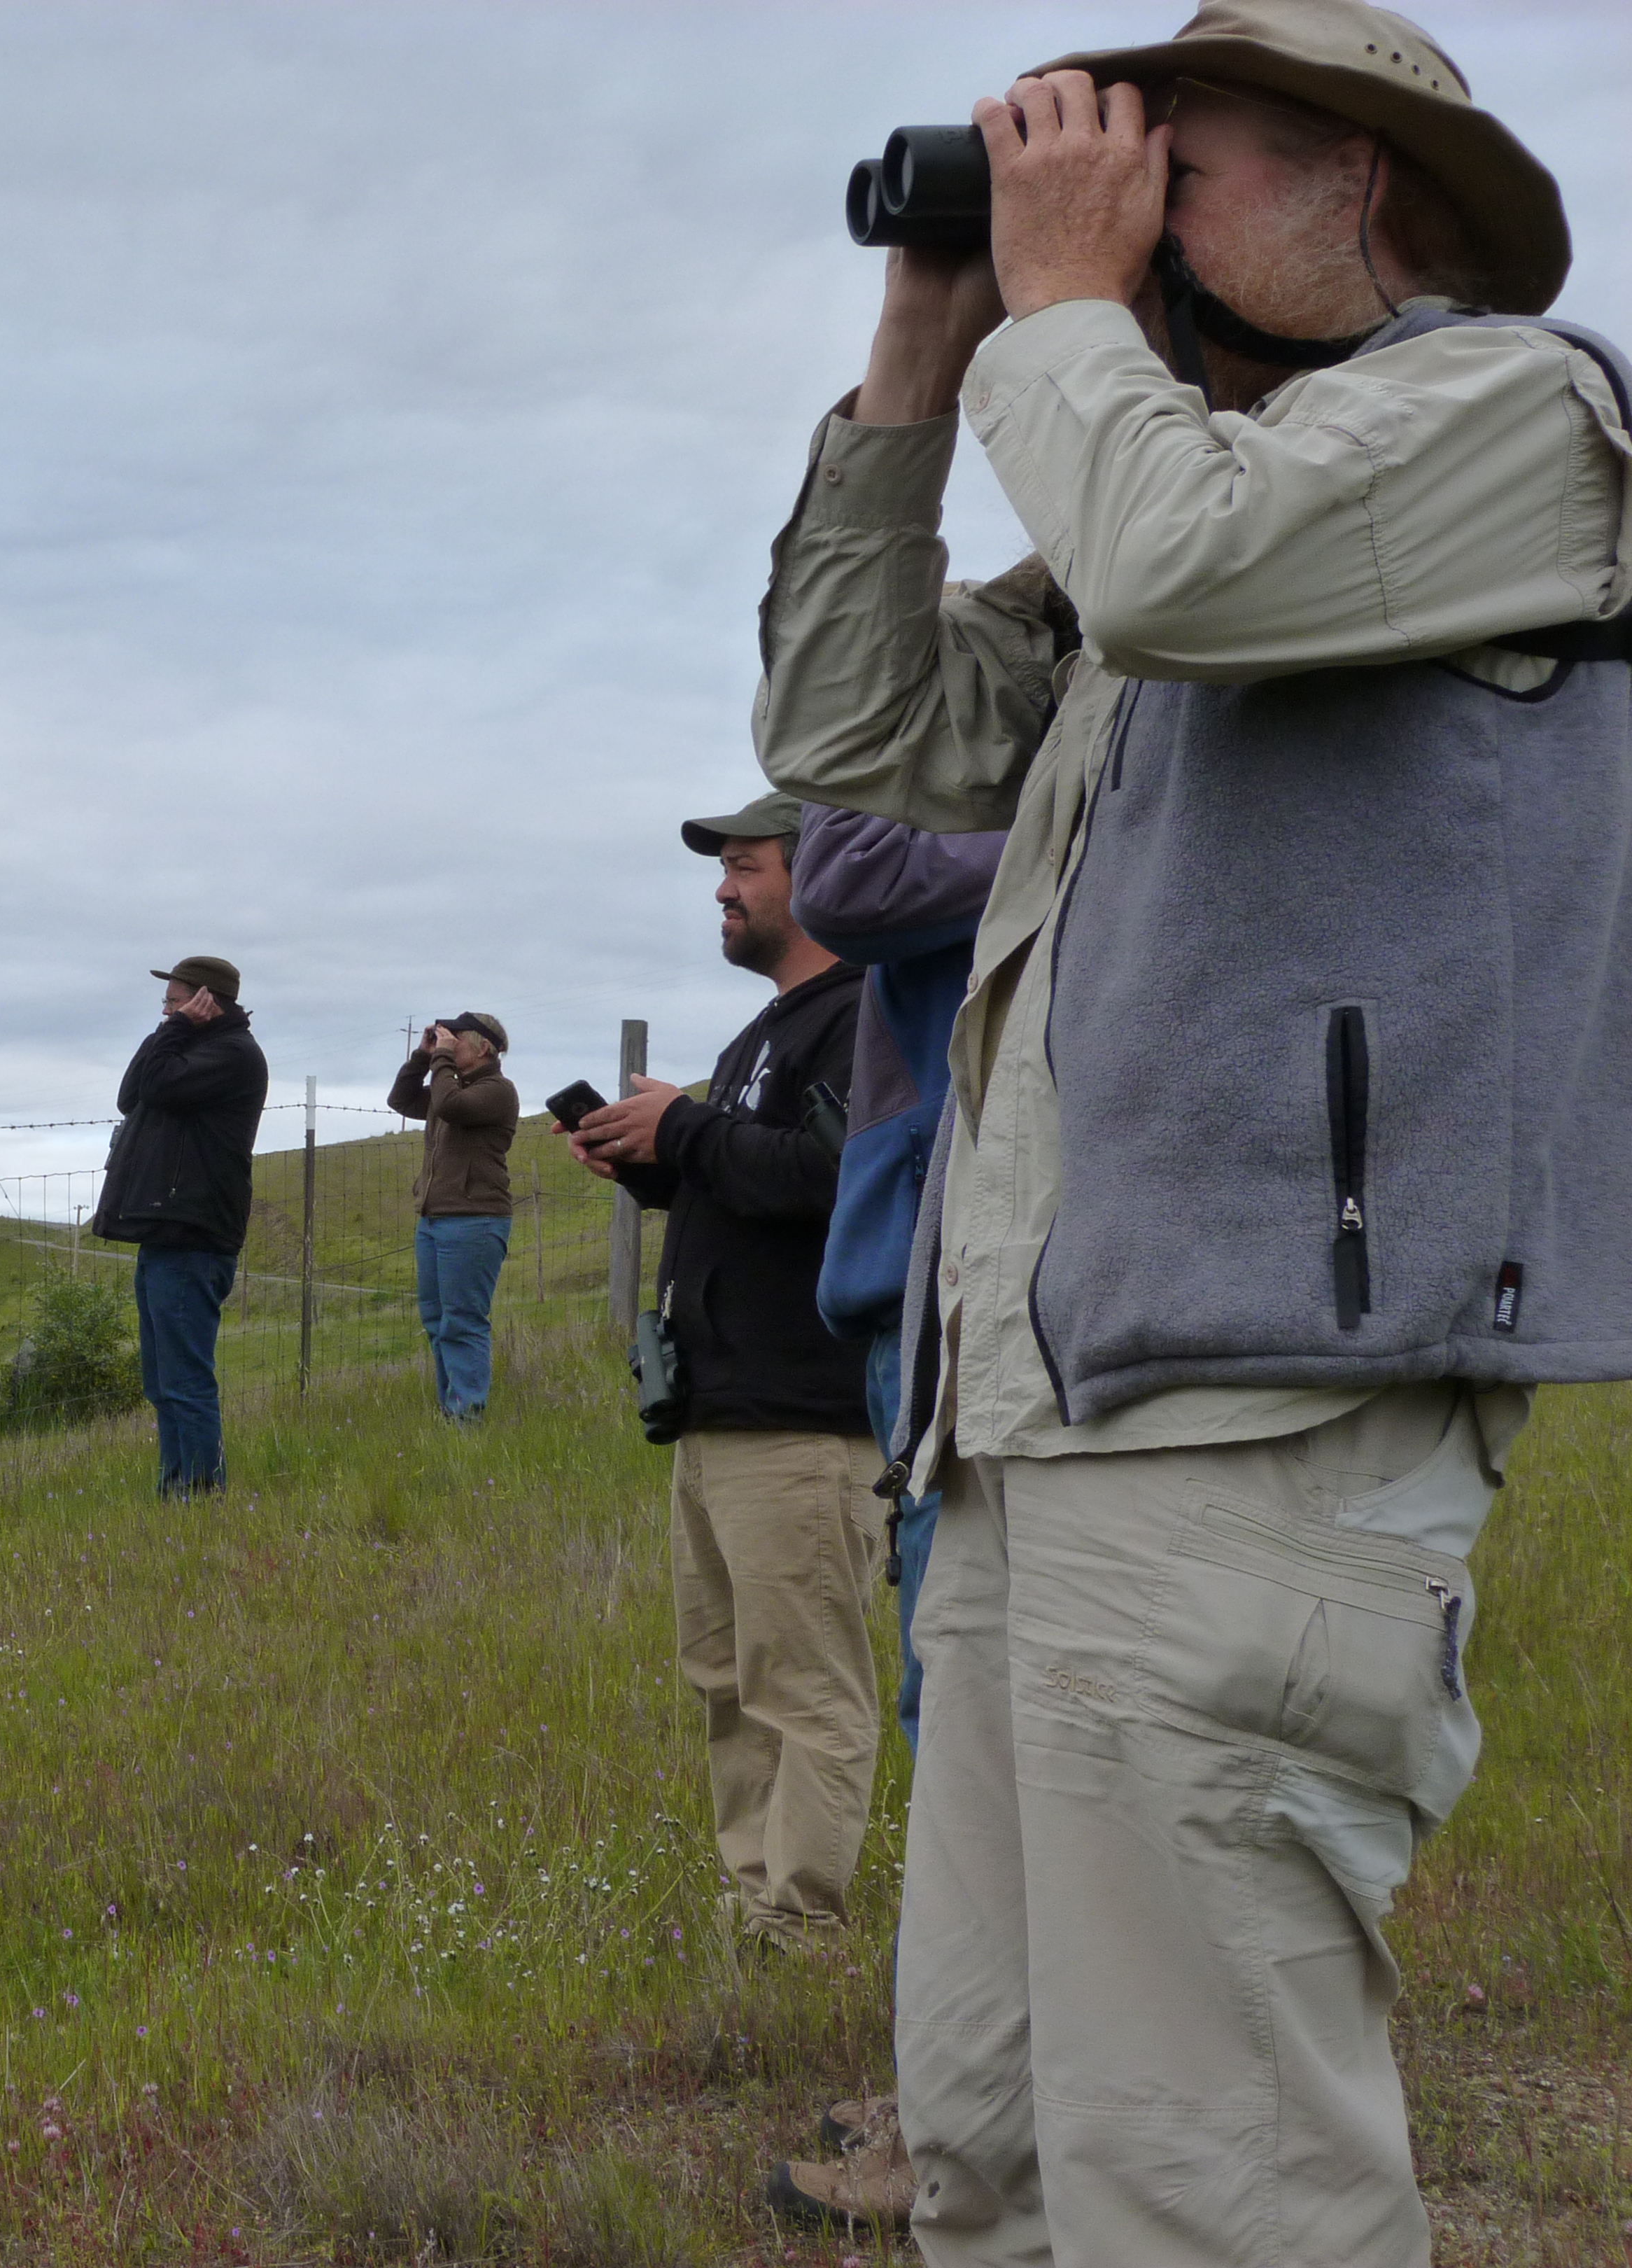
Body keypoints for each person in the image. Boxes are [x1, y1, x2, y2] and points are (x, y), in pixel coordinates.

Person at [754, 4, 1628, 2259]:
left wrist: (1064, 308)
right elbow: (849, 729)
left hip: (1263, 1416)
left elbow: (1183, 565)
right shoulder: (1151, 490)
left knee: (1205, 2174)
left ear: (1378, 193)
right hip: (1039, 1421)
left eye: (1180, 165)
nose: (1120, 204)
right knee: (1000, 2138)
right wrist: (924, 358)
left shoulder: (1510, 411)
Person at [569, 792, 879, 1955]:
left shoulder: (866, 1015)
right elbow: (757, 1185)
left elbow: (838, 1175)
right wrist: (653, 1164)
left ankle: (801, 1928)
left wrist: (685, 1133)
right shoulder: (763, 1035)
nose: (722, 888)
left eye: (745, 866)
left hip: (804, 1420)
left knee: (805, 1687)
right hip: (720, 1416)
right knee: (726, 1680)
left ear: (819, 875)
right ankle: (754, 1910)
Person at [763, 807, 1006, 2233]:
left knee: (967, 1720)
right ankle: (962, 2090)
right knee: (952, 1706)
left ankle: (974, 2128)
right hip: (916, 1305)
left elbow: (846, 873)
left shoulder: (1055, 800)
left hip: (964, 1301)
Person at [90, 954, 270, 1495]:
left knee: (186, 1379)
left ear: (206, 1001)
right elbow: (132, 1094)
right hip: (165, 1233)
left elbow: (161, 1087)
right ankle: (176, 1489)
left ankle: (201, 1491)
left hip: (194, 1235)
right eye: (166, 1003)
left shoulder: (235, 1055)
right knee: (161, 1380)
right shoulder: (189, 1045)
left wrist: (176, 1031)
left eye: (174, 1001)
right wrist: (172, 1030)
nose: (165, 1012)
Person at [387, 1012, 519, 1420]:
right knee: (436, 1319)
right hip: (434, 1219)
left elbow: (449, 1105)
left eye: (455, 1038)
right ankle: (452, 1410)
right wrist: (422, 1058)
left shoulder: (498, 1090)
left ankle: (467, 1416)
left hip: (475, 1220)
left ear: (484, 1048)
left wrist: (440, 1061)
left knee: (462, 1320)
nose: (447, 1042)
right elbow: (402, 1100)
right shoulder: (452, 1084)